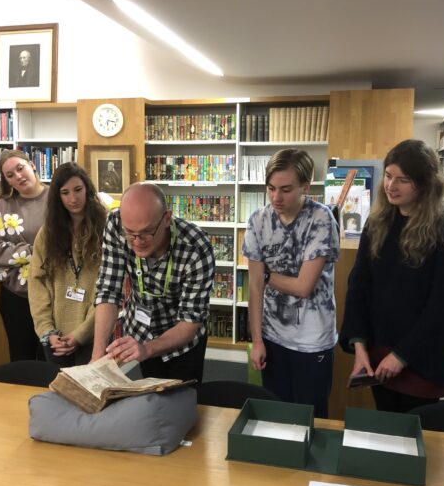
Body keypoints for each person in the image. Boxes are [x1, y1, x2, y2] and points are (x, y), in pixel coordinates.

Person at [341, 140, 444, 413]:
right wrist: (359, 346)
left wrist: (401, 356)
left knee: (416, 430)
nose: (391, 185)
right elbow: (359, 286)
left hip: (421, 358)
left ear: (424, 183)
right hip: (378, 353)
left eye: (403, 180)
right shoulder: (377, 222)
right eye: (388, 176)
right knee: (386, 428)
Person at [242, 149, 339, 417]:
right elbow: (254, 288)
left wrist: (266, 275)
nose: (276, 197)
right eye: (271, 188)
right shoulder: (257, 220)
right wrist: (257, 340)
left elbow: (303, 287)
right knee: (276, 416)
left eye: (286, 189)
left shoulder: (321, 219)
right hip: (272, 336)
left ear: (305, 187)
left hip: (313, 341)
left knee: (311, 418)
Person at [92, 182, 215, 382]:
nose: (137, 241)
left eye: (147, 232)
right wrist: (97, 357)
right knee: (150, 395)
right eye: (130, 233)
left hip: (183, 342)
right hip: (141, 331)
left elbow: (190, 321)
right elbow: (108, 290)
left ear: (166, 218)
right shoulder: (115, 225)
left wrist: (146, 349)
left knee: (183, 396)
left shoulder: (196, 247)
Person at [29, 163, 107, 366]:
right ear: (58, 197)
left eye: (78, 189)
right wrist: (47, 331)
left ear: (87, 189)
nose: (73, 198)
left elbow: (108, 288)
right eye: (65, 193)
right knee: (58, 385)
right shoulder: (47, 234)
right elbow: (37, 284)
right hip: (56, 339)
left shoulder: (106, 228)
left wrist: (81, 335)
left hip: (95, 335)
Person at [0, 150, 48, 362]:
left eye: (20, 168)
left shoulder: (57, 199)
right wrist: (36, 251)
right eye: (10, 175)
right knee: (21, 358)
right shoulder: (2, 206)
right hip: (16, 296)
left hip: (52, 294)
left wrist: (18, 252)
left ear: (32, 165)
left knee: (51, 357)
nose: (18, 176)